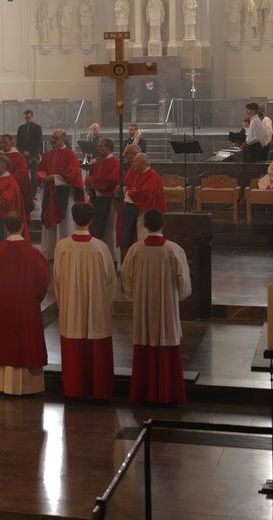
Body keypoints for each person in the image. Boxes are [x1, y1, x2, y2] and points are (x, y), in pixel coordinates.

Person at [122, 210, 191, 406]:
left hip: (143, 308)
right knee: (167, 340)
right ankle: (169, 393)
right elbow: (184, 284)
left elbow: (126, 277)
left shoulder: (135, 250)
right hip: (167, 306)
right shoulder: (174, 250)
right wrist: (177, 295)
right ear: (163, 224)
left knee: (144, 340)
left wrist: (134, 295)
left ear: (144, 225)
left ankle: (143, 393)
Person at [53, 202, 117, 400]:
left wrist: (64, 303)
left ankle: (74, 389)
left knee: (74, 346)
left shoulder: (62, 247)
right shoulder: (100, 247)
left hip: (71, 305)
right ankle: (99, 390)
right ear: (91, 220)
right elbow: (111, 281)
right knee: (96, 348)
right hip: (96, 307)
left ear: (73, 219)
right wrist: (105, 305)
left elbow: (57, 279)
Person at [0, 212, 50, 395]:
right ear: (22, 227)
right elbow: (44, 279)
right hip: (25, 308)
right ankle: (29, 386)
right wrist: (34, 298)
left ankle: (0, 384)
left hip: (2, 308)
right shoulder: (33, 253)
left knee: (4, 342)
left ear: (6, 227)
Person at [37, 130, 84, 260]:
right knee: (49, 220)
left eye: (56, 138)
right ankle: (50, 252)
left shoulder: (71, 155)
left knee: (64, 223)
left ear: (64, 138)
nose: (54, 140)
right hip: (50, 192)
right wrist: (44, 176)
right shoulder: (50, 154)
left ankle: (65, 252)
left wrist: (55, 178)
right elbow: (41, 169)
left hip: (65, 194)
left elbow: (72, 174)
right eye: (52, 138)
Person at [120, 153, 166, 261]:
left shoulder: (151, 176)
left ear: (143, 163)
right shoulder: (141, 174)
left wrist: (128, 192)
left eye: (135, 161)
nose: (133, 164)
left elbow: (145, 192)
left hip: (150, 214)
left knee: (145, 236)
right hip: (141, 212)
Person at [0, 155, 28, 254]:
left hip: (2, 218)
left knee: (1, 241)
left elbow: (5, 203)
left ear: (3, 167)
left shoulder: (10, 182)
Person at [86, 139, 120, 251]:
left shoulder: (115, 163)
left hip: (107, 199)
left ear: (109, 148)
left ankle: (104, 250)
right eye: (98, 146)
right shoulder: (99, 162)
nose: (98, 148)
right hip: (96, 198)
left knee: (105, 228)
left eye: (101, 146)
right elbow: (93, 176)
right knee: (95, 225)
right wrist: (90, 183)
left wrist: (92, 181)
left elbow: (112, 181)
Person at [0, 134, 33, 214]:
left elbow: (22, 175)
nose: (2, 144)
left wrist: (4, 178)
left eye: (4, 142)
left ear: (11, 143)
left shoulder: (19, 157)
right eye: (0, 142)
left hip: (10, 191)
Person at [16, 110, 43, 188]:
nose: (27, 119)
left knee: (33, 176)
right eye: (25, 118)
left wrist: (30, 153)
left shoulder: (37, 127)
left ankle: (33, 192)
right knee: (23, 175)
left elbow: (38, 143)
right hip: (23, 155)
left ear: (32, 117)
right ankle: (25, 191)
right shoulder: (21, 128)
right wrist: (22, 152)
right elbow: (18, 142)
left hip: (33, 155)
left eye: (29, 117)